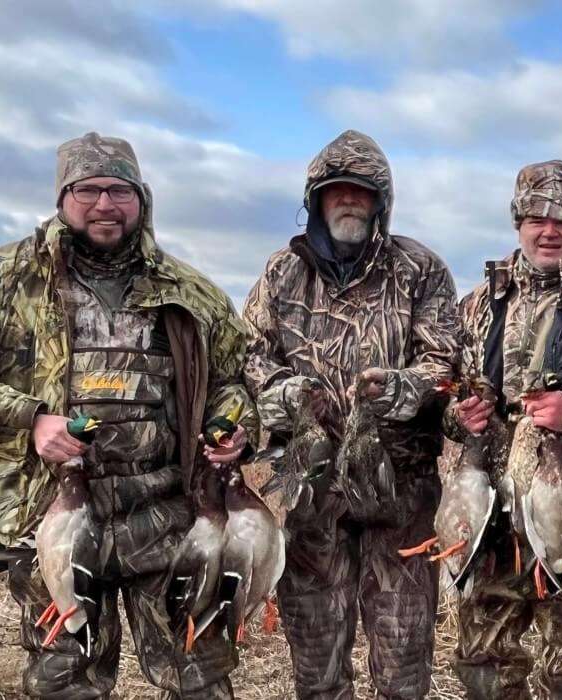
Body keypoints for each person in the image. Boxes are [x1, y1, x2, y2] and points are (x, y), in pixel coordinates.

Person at [0, 132, 255, 698]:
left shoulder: (190, 290)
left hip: (167, 514)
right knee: (67, 680)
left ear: (142, 198)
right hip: (54, 520)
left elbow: (233, 377)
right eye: (87, 189)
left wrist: (233, 428)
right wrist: (31, 419)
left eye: (120, 190)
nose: (104, 205)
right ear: (62, 197)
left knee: (198, 674)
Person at [242, 130, 460, 700]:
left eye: (360, 193)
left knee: (404, 661)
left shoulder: (419, 268)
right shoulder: (280, 274)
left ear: (380, 202)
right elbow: (248, 355)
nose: (347, 201)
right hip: (311, 491)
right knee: (316, 661)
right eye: (335, 191)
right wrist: (283, 391)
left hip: (401, 496)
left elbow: (444, 359)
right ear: (315, 199)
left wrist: (402, 387)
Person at [444, 159, 562, 698]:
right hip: (492, 516)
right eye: (536, 217)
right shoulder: (479, 304)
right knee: (485, 657)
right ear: (518, 222)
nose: (550, 230)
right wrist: (460, 416)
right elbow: (450, 391)